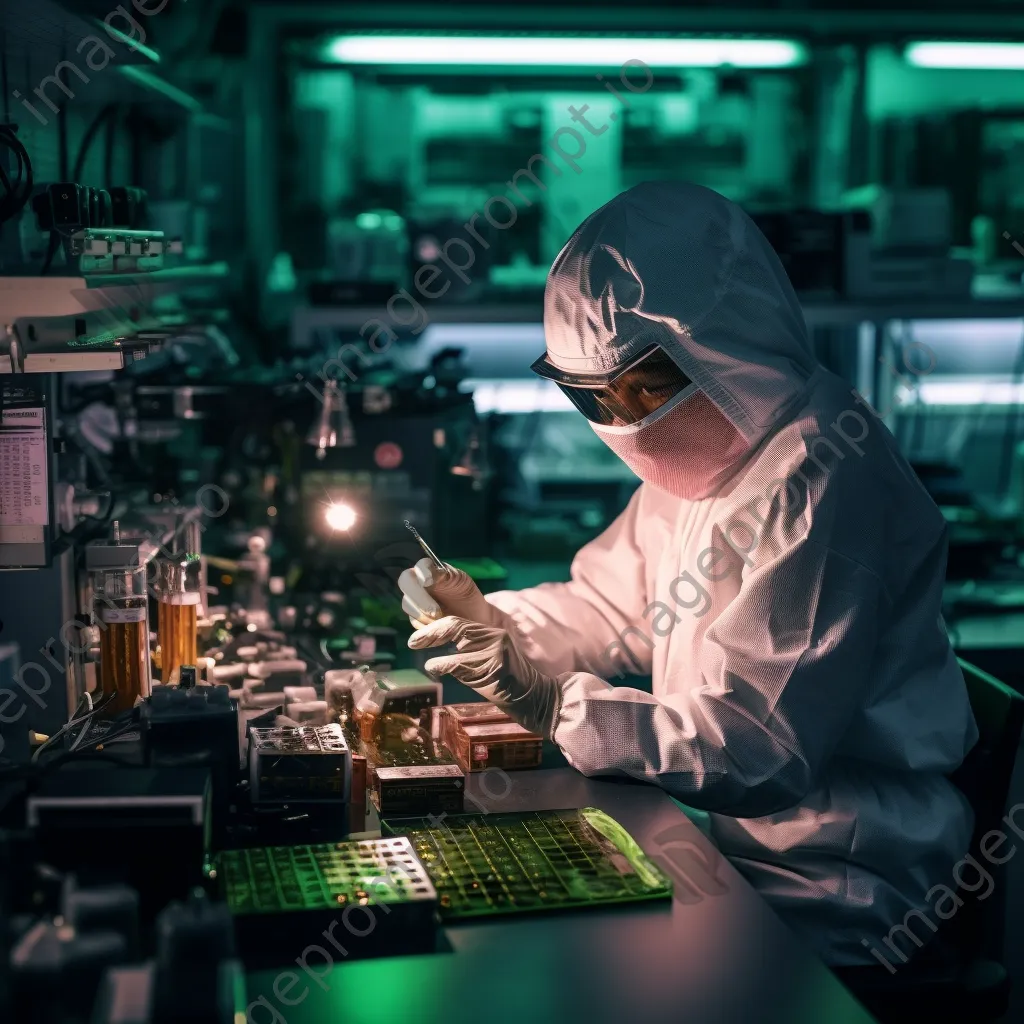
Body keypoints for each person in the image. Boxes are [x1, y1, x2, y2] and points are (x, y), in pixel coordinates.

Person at [398, 181, 978, 967]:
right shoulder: (711, 461)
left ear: (727, 345)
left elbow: (757, 750)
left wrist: (548, 701)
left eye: (645, 388)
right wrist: (495, 621)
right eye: (596, 399)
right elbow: (611, 606)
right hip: (717, 840)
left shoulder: (818, 470)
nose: (627, 423)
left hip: (830, 877)